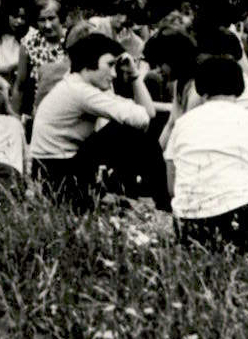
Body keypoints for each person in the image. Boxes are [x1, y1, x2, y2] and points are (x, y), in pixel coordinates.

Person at [165, 56, 248, 257]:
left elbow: (173, 187)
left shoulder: (183, 124)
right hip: (241, 221)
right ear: (241, 88)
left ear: (199, 87)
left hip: (188, 226)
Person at [30, 33, 168, 212]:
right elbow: (142, 119)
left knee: (129, 130)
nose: (114, 73)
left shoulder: (79, 84)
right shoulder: (81, 91)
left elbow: (148, 113)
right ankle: (162, 202)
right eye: (110, 65)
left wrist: (134, 75)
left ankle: (141, 194)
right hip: (57, 173)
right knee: (129, 130)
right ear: (89, 63)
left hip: (57, 167)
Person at [12, 0, 68, 116]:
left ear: (61, 17)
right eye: (42, 20)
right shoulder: (30, 44)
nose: (47, 25)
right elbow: (19, 86)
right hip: (41, 112)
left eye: (51, 18)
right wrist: (14, 119)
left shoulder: (72, 41)